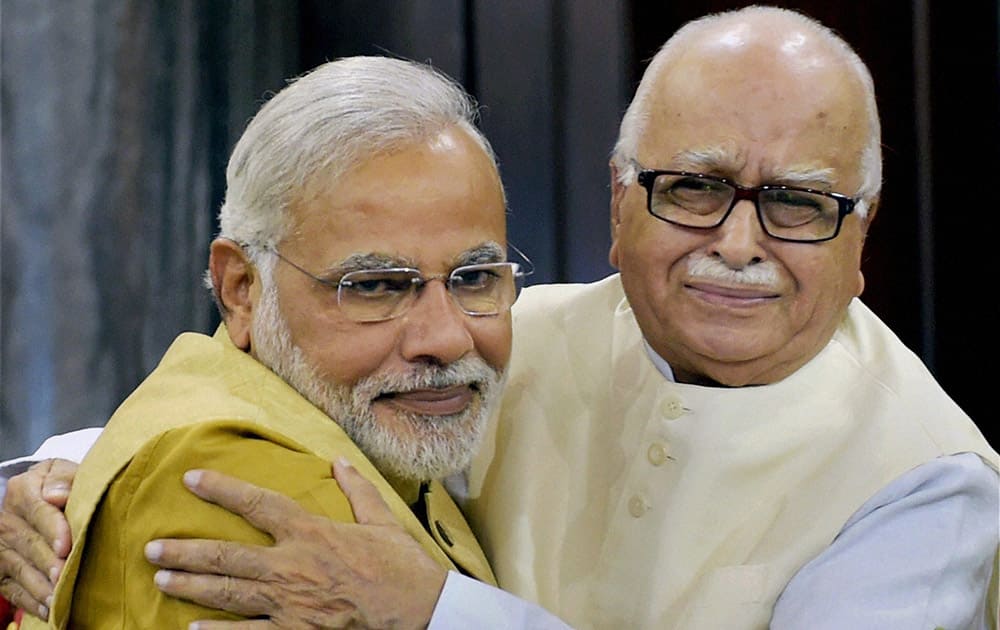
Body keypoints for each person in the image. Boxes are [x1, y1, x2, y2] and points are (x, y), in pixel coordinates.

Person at [2, 6, 998, 629]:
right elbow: (327, 396)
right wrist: (54, 483)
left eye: (795, 203)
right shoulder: (508, 332)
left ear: (859, 239)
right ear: (617, 207)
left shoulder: (927, 481)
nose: (738, 243)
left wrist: (435, 612)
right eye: (693, 187)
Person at [0, 55, 574, 629]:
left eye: (475, 278)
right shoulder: (261, 506)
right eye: (374, 286)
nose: (445, 339)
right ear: (241, 288)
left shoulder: (375, 421)